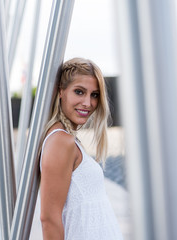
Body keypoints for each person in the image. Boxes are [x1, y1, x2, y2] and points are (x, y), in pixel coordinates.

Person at [39, 57, 123, 239]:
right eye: (79, 92)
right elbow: (49, 219)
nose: (88, 103)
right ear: (61, 91)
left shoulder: (67, 139)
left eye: (94, 95)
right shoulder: (61, 141)